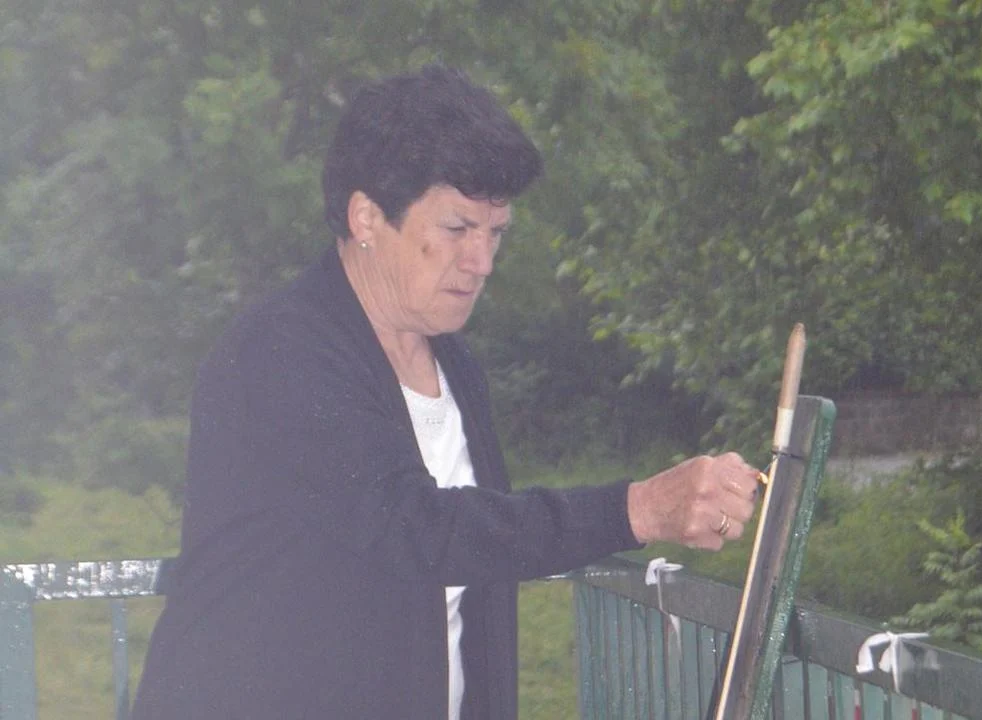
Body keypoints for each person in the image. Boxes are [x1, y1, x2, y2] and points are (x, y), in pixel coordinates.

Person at [131, 64, 759, 720]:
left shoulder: (454, 365)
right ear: (367, 216)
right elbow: (417, 529)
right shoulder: (282, 350)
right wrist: (637, 509)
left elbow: (476, 577)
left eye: (496, 233)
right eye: (457, 229)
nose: (481, 262)